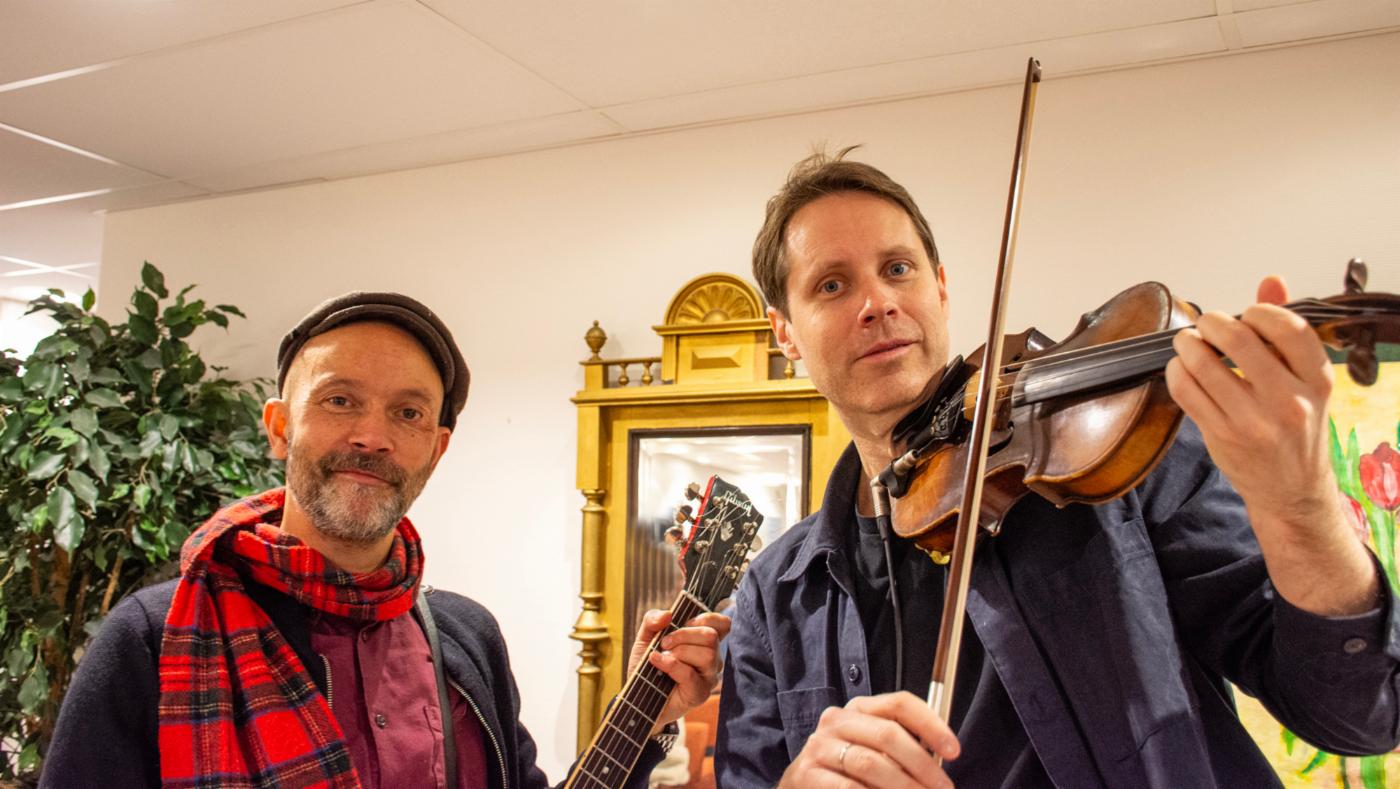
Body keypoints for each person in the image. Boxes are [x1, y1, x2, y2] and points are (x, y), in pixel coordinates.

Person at [716, 149, 1399, 787]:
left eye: (897, 269)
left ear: (941, 288)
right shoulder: (774, 595)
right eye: (832, 284)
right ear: (786, 334)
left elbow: (1358, 716)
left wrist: (1301, 508)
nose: (878, 303)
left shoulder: (1117, 457)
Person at [43, 292, 728, 788]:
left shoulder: (466, 637)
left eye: (407, 412)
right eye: (340, 400)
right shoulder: (154, 638)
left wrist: (645, 716)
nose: (372, 436)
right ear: (279, 427)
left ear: (436, 449)